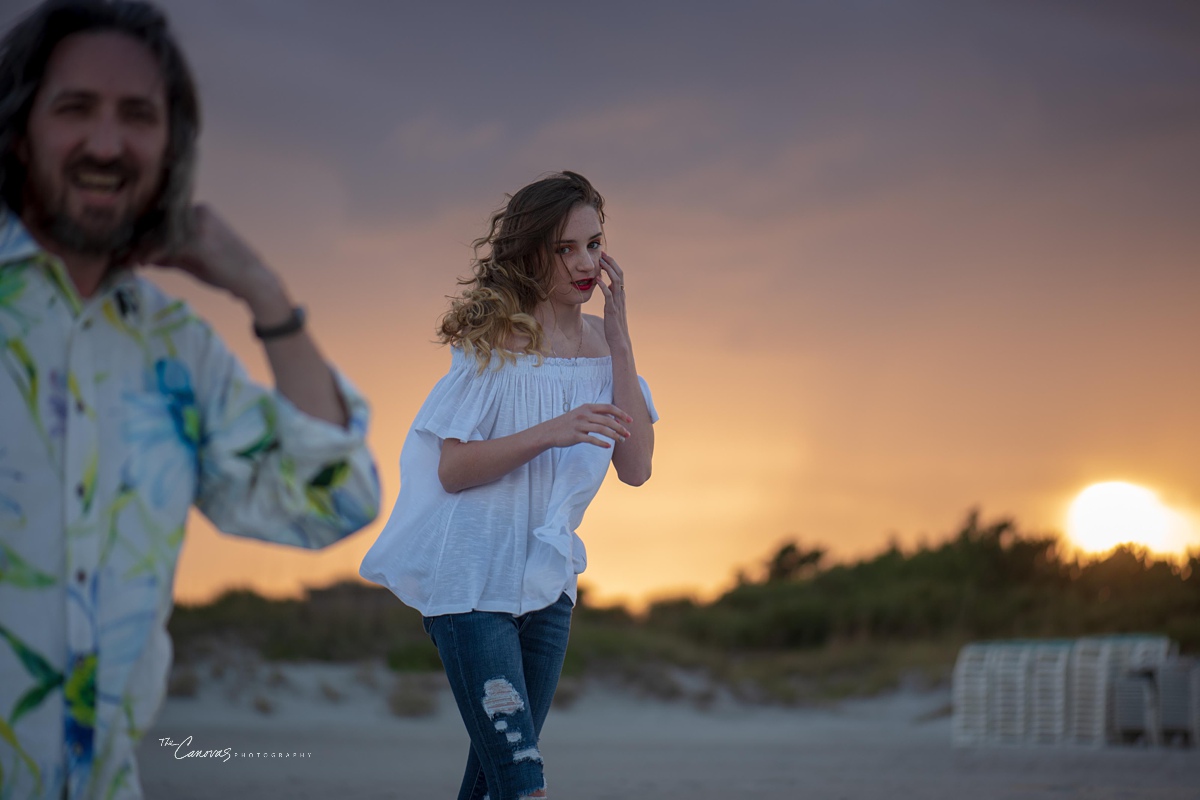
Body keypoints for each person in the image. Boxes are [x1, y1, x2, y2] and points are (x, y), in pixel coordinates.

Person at [0, 2, 380, 798]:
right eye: (75, 109)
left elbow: (332, 502)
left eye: (138, 116)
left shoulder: (174, 348)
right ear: (18, 126)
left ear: (171, 145)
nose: (107, 144)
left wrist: (266, 295)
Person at [360, 171, 657, 799]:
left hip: (547, 585)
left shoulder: (608, 349)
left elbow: (635, 468)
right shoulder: (498, 338)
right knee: (523, 781)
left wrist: (622, 340)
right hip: (469, 581)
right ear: (531, 253)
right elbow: (454, 468)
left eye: (595, 244)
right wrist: (552, 430)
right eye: (565, 248)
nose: (585, 263)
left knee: (493, 783)